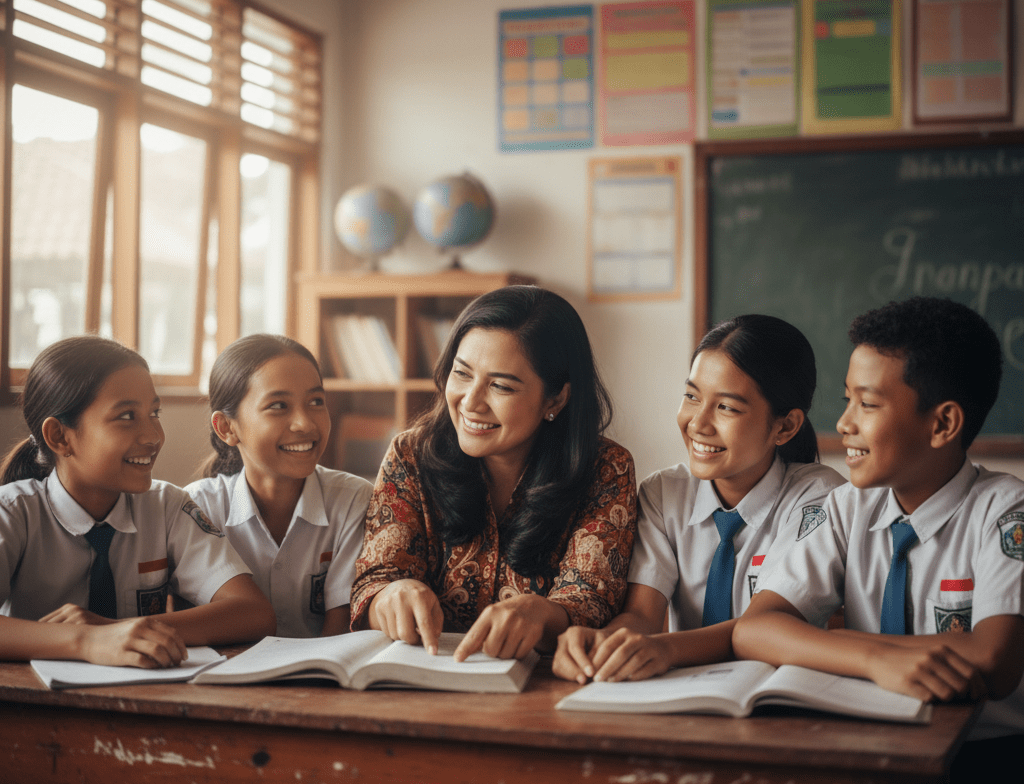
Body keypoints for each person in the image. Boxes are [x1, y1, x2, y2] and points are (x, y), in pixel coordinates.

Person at [734, 298, 1024, 779]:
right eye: (847, 399)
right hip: (868, 741)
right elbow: (755, 629)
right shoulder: (847, 507)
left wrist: (838, 642)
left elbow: (994, 660)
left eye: (867, 404)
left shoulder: (1005, 510)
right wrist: (873, 658)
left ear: (942, 424)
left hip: (986, 755)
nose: (844, 423)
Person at [350, 285, 636, 661]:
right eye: (462, 373)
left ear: (555, 399)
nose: (470, 402)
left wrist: (543, 615)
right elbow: (375, 579)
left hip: (550, 682)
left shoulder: (606, 468)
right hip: (424, 675)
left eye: (500, 386)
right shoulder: (411, 455)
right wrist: (390, 595)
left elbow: (592, 600)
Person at [554, 314, 844, 683]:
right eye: (692, 396)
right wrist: (603, 643)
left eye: (727, 407)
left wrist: (666, 649)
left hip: (777, 693)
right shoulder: (664, 493)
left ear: (785, 426)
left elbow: (761, 628)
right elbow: (642, 617)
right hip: (684, 691)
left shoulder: (819, 499)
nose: (698, 423)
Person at [0, 336, 275, 667]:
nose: (153, 436)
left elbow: (253, 612)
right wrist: (86, 641)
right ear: (60, 436)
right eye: (127, 416)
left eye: (154, 412)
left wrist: (119, 630)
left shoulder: (167, 507)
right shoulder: (13, 513)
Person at [187, 334, 372, 637]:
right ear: (227, 427)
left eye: (316, 402)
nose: (305, 423)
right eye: (278, 406)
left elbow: (341, 629)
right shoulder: (198, 508)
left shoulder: (352, 500)